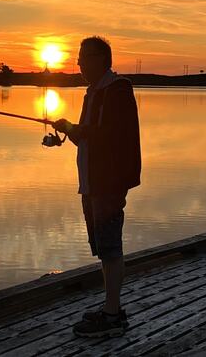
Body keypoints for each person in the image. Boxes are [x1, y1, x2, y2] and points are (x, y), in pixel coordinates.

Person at [52, 36, 141, 338]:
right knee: (104, 249)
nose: (78, 63)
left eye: (84, 57)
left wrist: (74, 129)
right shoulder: (93, 93)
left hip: (109, 182)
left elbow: (110, 134)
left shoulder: (118, 90)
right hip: (91, 182)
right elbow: (87, 136)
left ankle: (113, 316)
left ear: (102, 59)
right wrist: (66, 132)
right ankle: (110, 308)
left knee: (111, 249)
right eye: (78, 58)